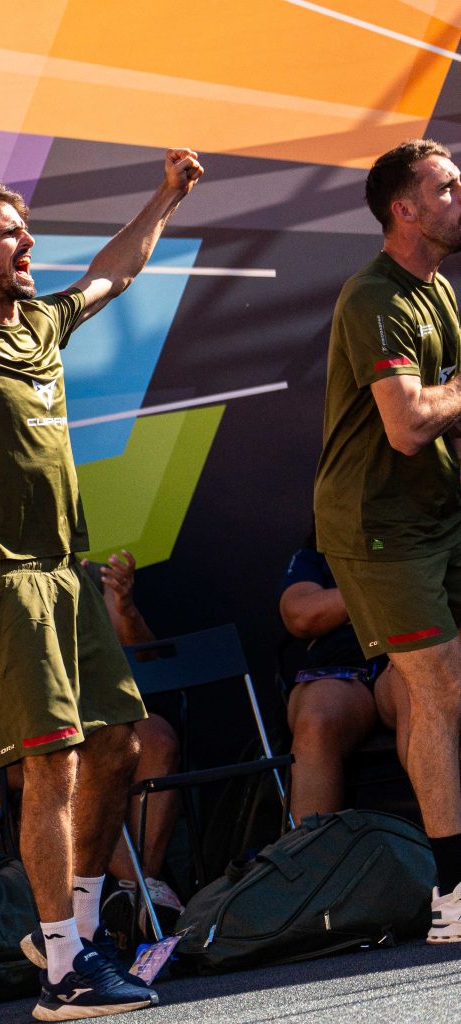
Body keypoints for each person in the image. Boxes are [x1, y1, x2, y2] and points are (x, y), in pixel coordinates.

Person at [0, 147, 203, 1020]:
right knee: (52, 764)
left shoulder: (40, 324)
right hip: (1, 583)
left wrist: (165, 195)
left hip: (65, 575)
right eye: (11, 235)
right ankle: (62, 976)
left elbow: (115, 272)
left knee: (119, 747)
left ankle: (69, 932)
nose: (28, 245)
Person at [313, 139, 461, 943]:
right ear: (404, 209)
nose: (460, 198)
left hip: (439, 513)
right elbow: (407, 426)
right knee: (436, 689)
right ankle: (452, 895)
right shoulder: (373, 296)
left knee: (441, 692)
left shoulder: (438, 291)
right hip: (378, 530)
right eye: (447, 188)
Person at [81, 552, 183, 942]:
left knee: (155, 739)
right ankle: (142, 892)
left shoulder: (91, 574)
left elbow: (147, 659)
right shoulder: (0, 580)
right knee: (80, 753)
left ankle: (140, 890)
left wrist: (125, 609)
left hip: (109, 712)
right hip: (43, 727)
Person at [279, 537, 389, 821]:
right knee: (316, 723)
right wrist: (382, 587)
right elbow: (301, 615)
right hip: (343, 666)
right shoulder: (314, 556)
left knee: (432, 699)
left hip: (407, 653)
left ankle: (446, 843)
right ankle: (315, 848)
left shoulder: (425, 531)